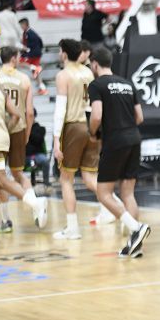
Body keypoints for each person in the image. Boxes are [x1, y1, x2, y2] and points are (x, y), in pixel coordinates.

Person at [0, 61, 48, 238]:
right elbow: (16, 115)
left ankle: (36, 203)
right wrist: (4, 127)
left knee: (2, 181)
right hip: (3, 137)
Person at [86, 47, 150, 258]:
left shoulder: (96, 85)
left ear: (95, 64)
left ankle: (136, 229)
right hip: (134, 138)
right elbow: (139, 117)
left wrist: (93, 132)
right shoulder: (127, 83)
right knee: (128, 193)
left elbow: (96, 115)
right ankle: (135, 244)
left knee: (103, 192)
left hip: (114, 141)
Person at [52, 38, 100, 239]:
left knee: (66, 179)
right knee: (89, 176)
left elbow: (60, 109)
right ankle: (113, 206)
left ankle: (72, 228)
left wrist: (56, 139)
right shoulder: (88, 72)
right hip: (90, 125)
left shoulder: (63, 75)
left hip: (72, 126)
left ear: (63, 53)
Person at [0, 47, 34, 233]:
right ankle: (36, 206)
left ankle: (6, 221)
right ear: (15, 58)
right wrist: (26, 134)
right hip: (18, 129)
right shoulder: (24, 78)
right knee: (18, 174)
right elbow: (30, 112)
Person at [19, 17, 46, 93]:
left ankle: (33, 67)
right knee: (35, 72)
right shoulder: (28, 32)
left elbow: (32, 45)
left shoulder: (29, 33)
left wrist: (27, 51)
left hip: (33, 54)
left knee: (19, 62)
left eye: (21, 25)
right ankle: (42, 88)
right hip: (36, 53)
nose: (20, 27)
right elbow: (40, 41)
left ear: (24, 24)